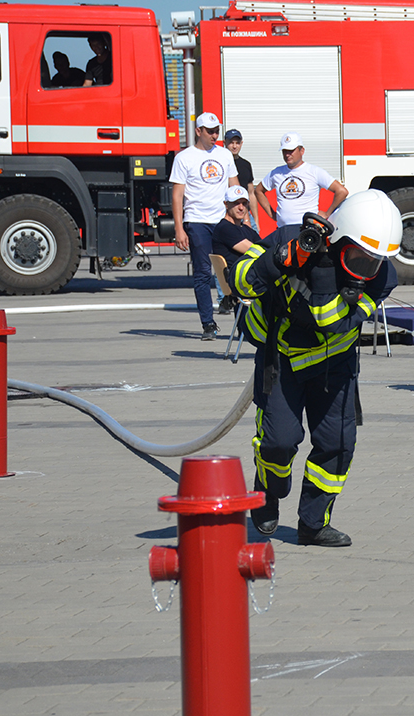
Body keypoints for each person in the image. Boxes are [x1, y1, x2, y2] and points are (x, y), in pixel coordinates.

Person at [230, 189, 401, 547]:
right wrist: (281, 259)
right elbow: (240, 280)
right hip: (282, 360)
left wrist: (322, 277)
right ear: (339, 240)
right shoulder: (290, 238)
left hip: (334, 368)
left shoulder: (382, 278)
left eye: (374, 262)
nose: (365, 271)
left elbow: (332, 321)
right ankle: (267, 495)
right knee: (278, 443)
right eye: (358, 258)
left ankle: (313, 523)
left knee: (337, 445)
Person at [170, 112, 240, 340]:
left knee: (235, 270)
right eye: (209, 131)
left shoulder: (224, 155)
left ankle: (241, 321)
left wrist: (241, 218)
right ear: (198, 131)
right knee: (202, 273)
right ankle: (208, 323)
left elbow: (234, 187)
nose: (214, 135)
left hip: (222, 221)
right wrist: (179, 229)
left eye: (217, 130)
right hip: (197, 220)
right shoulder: (184, 157)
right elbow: (178, 195)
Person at [255, 132, 349, 228]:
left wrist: (327, 213)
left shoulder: (314, 171)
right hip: (282, 230)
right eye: (284, 151)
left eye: (291, 150)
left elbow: (341, 191)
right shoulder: (276, 173)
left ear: (302, 151)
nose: (287, 154)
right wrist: (272, 214)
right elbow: (258, 190)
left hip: (306, 230)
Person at [212, 185, 260, 275]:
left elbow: (264, 246)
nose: (241, 208)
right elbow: (256, 251)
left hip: (250, 277)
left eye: (244, 203)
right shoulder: (224, 228)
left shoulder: (246, 229)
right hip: (240, 281)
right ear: (226, 204)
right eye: (236, 203)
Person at [223, 129, 258, 231]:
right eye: (231, 143)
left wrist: (256, 220)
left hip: (245, 213)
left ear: (241, 143)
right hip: (227, 213)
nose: (234, 146)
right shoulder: (221, 163)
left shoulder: (246, 165)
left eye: (237, 143)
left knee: (255, 242)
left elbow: (251, 193)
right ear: (225, 143)